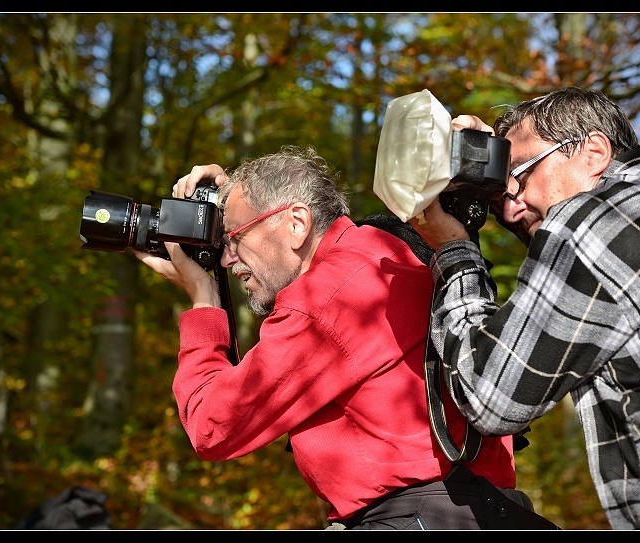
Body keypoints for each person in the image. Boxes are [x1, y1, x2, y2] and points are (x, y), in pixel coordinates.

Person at [133, 145, 549, 530]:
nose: (226, 257)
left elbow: (213, 426)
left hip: (417, 516)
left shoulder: (323, 300)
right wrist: (231, 199)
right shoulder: (382, 247)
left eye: (235, 238)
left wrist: (204, 301)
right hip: (479, 510)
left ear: (297, 223)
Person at [409, 87, 640, 530]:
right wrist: (490, 173)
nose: (509, 212)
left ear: (593, 152)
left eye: (522, 177)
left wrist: (454, 249)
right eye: (500, 197)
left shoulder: (592, 222)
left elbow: (489, 396)